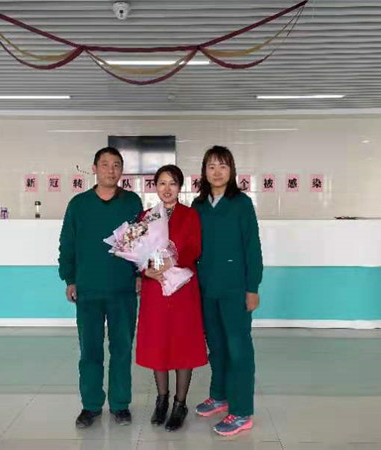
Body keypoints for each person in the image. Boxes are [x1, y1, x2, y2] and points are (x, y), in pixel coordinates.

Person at [58, 147, 143, 428]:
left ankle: (120, 404)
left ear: (122, 170)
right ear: (94, 168)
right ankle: (91, 405)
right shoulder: (79, 204)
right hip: (88, 288)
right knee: (90, 350)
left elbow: (142, 242)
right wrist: (69, 278)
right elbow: (67, 243)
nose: (111, 170)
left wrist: (140, 273)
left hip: (123, 289)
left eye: (116, 165)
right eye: (105, 164)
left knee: (122, 349)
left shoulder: (131, 202)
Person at [191, 145, 263, 437]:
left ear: (232, 170)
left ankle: (242, 411)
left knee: (238, 348)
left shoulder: (241, 203)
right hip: (206, 288)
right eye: (211, 166)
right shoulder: (198, 205)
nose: (217, 172)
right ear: (204, 171)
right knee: (217, 346)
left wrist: (252, 288)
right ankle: (219, 396)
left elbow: (252, 248)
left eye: (223, 166)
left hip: (235, 288)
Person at [136, 165, 208, 432]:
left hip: (182, 288)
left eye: (173, 183)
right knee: (159, 342)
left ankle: (180, 404)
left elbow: (195, 248)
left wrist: (172, 260)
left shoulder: (190, 215)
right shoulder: (147, 216)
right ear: (155, 186)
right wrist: (145, 270)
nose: (167, 189)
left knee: (182, 343)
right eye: (162, 183)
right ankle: (162, 400)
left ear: (180, 187)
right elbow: (137, 252)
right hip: (155, 288)